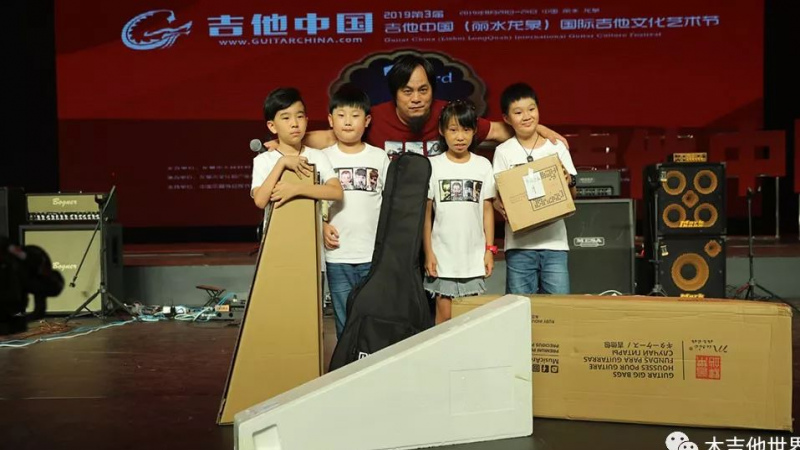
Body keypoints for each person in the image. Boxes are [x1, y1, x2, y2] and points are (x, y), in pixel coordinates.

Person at [276, 52, 569, 155]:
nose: (416, 98)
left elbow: (497, 130)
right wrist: (284, 142)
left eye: (423, 90)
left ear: (432, 90)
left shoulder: (448, 114)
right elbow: (329, 137)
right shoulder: (374, 117)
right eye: (407, 91)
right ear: (394, 94)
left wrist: (541, 130)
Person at [492, 82, 578, 295]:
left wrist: (569, 182)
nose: (527, 116)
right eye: (518, 112)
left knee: (559, 308)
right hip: (519, 247)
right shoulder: (503, 152)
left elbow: (573, 197)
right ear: (506, 118)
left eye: (531, 109)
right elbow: (499, 196)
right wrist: (499, 205)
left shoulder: (556, 147)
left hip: (555, 245)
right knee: (520, 308)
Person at [321, 84, 391, 338]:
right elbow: (314, 203)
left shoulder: (379, 157)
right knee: (344, 321)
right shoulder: (322, 158)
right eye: (341, 115)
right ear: (331, 120)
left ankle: (372, 361)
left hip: (372, 254)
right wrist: (321, 226)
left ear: (367, 121)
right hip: (337, 255)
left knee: (374, 318)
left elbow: (389, 203)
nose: (348, 122)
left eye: (355, 115)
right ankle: (346, 361)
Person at [423, 100, 496, 324]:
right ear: (442, 131)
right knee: (444, 316)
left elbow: (487, 211)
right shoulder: (433, 165)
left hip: (473, 256)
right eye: (453, 130)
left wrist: (489, 250)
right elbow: (426, 215)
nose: (460, 137)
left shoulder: (483, 165)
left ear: (474, 131)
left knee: (469, 319)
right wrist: (428, 252)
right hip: (442, 256)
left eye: (466, 130)